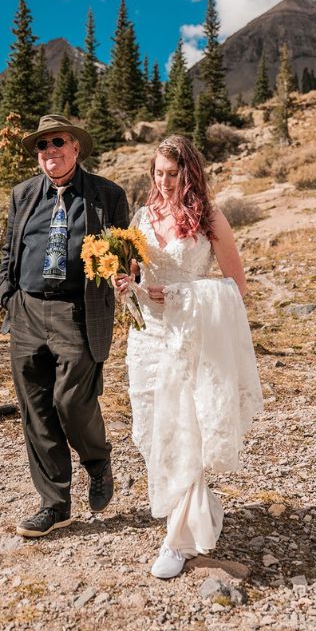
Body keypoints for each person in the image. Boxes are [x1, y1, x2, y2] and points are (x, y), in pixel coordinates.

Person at [114, 135, 263, 578]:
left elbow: (236, 287)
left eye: (173, 174)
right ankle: (201, 507)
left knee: (185, 429)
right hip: (147, 337)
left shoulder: (210, 219)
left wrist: (181, 293)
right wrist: (126, 286)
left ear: (190, 173)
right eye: (158, 173)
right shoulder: (142, 216)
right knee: (149, 432)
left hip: (190, 335)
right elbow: (137, 278)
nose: (164, 182)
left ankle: (178, 541)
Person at [0, 114, 129, 538]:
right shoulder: (22, 195)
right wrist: (9, 296)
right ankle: (54, 505)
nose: (49, 151)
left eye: (57, 142)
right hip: (28, 312)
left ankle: (97, 460)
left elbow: (126, 255)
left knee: (72, 401)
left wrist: (127, 273)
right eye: (42, 145)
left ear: (75, 148)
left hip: (78, 311)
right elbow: (9, 250)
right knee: (36, 410)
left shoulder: (107, 195)